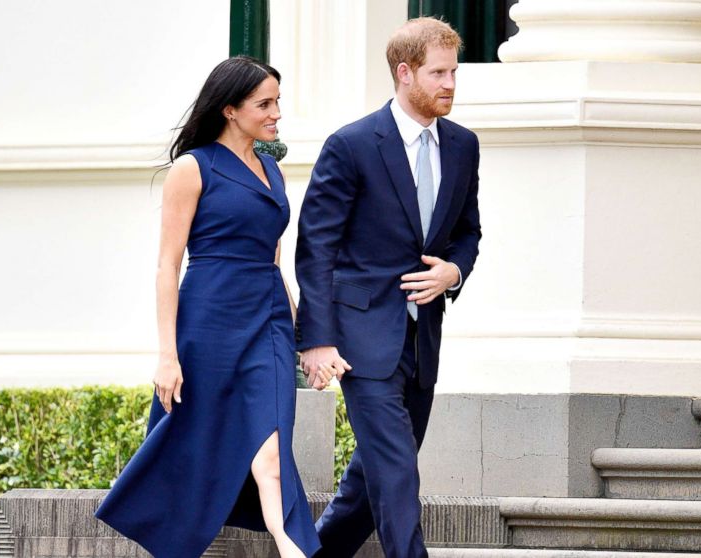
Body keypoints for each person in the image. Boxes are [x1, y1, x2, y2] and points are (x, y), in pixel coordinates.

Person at [95, 56, 320, 558]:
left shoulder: (272, 170)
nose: (276, 112)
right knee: (196, 438)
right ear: (229, 109)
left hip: (268, 321)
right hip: (210, 320)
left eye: (277, 101)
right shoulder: (192, 168)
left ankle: (290, 544)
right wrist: (167, 355)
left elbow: (276, 260)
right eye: (265, 103)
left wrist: (303, 337)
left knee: (273, 444)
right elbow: (166, 266)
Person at [295, 17, 481, 558]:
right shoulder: (351, 145)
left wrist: (455, 271)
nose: (450, 83)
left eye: (453, 72)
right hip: (359, 338)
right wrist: (317, 339)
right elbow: (317, 248)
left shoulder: (464, 146)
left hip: (422, 340)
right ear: (405, 73)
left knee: (371, 477)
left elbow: (468, 230)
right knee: (397, 470)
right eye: (438, 72)